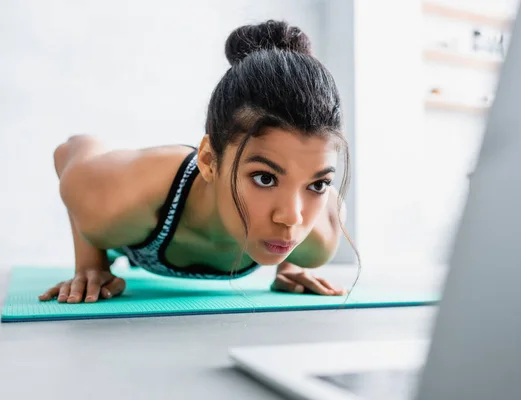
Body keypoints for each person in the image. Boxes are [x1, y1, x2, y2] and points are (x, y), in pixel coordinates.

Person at [38, 20, 358, 304]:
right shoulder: (114, 202)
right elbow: (68, 151)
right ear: (207, 159)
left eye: (318, 184)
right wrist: (91, 264)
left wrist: (291, 263)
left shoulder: (319, 237)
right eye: (264, 178)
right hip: (145, 195)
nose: (291, 218)